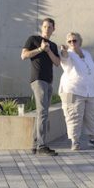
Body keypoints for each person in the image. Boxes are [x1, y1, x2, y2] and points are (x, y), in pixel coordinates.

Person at [21, 17, 62, 156]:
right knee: (43, 112)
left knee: (42, 113)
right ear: (41, 27)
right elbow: (24, 55)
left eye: (50, 27)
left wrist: (48, 50)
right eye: (45, 26)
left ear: (53, 29)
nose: (47, 29)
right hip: (38, 80)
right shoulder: (33, 39)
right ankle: (42, 145)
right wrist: (40, 48)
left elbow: (57, 62)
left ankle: (34, 145)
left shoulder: (53, 46)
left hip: (48, 82)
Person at [58, 32, 94, 151]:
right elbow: (64, 59)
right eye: (69, 41)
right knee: (73, 116)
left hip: (91, 91)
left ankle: (93, 139)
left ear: (80, 42)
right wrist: (63, 51)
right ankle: (75, 141)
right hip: (72, 91)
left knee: (92, 116)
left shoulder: (87, 54)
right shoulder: (67, 54)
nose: (72, 43)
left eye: (75, 40)